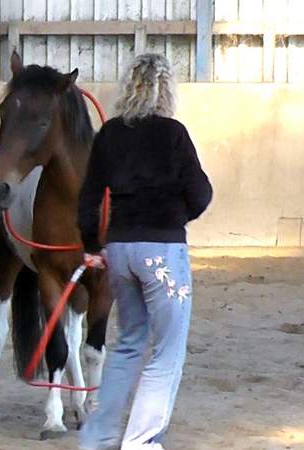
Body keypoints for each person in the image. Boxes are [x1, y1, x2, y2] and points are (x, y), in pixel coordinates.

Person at [77, 54, 213, 450]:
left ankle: (97, 435)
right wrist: (174, 217)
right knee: (167, 350)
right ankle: (141, 441)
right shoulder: (174, 134)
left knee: (129, 342)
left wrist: (90, 246)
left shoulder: (109, 134)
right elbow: (201, 194)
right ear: (166, 89)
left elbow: (88, 198)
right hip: (163, 254)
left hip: (119, 251)